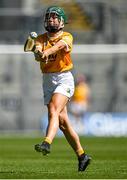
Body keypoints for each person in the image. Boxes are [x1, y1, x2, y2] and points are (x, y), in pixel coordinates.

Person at [31, 6, 91, 172]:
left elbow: (58, 47)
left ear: (62, 21)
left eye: (54, 17)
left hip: (63, 78)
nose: (51, 20)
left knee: (53, 109)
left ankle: (47, 142)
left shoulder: (67, 36)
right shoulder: (40, 39)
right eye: (49, 17)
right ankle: (82, 155)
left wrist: (46, 51)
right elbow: (38, 54)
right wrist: (38, 52)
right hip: (47, 81)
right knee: (63, 123)